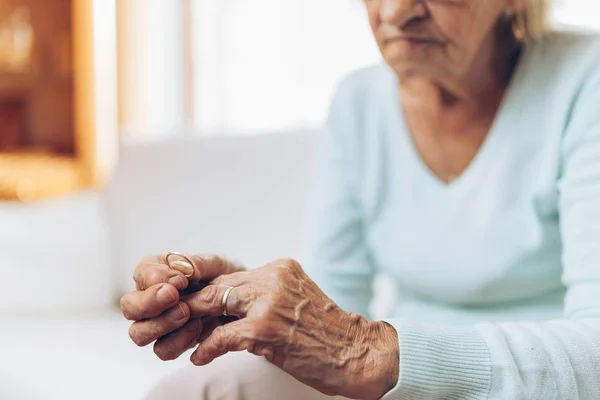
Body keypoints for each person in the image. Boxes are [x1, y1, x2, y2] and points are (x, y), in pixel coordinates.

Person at [120, 0, 600, 398]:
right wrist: (236, 303)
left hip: (539, 383)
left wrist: (373, 351)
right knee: (196, 390)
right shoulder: (359, 101)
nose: (393, 11)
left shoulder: (585, 80)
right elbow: (334, 312)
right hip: (403, 378)